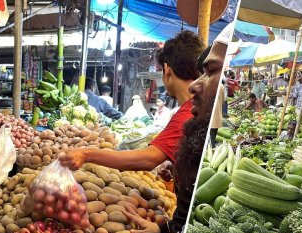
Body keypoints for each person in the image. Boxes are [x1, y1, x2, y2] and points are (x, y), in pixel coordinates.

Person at [126, 27, 230, 233]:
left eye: (211, 71)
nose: (196, 84)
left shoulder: (196, 121)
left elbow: (149, 158)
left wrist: (85, 155)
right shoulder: (197, 127)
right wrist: (165, 232)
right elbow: (186, 218)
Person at [60, 31, 204, 171]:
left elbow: (149, 159)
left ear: (167, 69)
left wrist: (87, 154)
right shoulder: (199, 107)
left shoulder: (187, 115)